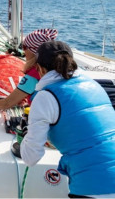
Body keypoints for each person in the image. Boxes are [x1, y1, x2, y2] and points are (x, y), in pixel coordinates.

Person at [20, 41, 115, 197]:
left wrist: (25, 136)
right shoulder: (94, 85)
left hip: (95, 185)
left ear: (40, 69)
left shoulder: (46, 97)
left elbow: (31, 157)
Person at [0, 28, 58, 110]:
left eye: (24, 47)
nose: (23, 51)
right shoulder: (56, 66)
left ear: (33, 51)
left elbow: (6, 104)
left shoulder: (34, 74)